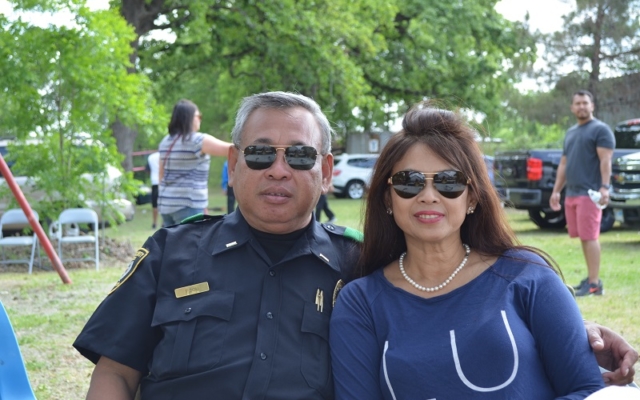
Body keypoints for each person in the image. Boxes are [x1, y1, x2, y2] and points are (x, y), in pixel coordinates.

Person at [72, 93, 637, 400]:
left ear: (325, 171)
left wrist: (575, 330)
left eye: (298, 156)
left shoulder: (357, 266)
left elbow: (460, 298)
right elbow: (116, 375)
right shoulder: (172, 252)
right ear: (234, 163)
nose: (277, 169)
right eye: (260, 153)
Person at [329, 102, 620, 399]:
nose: (428, 196)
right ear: (387, 198)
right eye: (409, 182)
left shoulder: (529, 277)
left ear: (472, 198)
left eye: (449, 181)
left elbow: (588, 390)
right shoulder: (360, 304)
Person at [550, 90, 615, 296]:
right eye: (577, 103)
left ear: (592, 106)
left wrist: (605, 187)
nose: (581, 107)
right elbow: (564, 164)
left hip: (590, 193)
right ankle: (590, 278)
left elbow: (606, 160)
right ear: (572, 107)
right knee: (583, 237)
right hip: (572, 193)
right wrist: (556, 191)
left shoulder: (600, 130)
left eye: (585, 103)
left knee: (590, 236)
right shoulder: (571, 132)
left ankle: (594, 284)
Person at [158, 99, 232, 226]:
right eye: (199, 116)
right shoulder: (197, 140)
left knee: (173, 240)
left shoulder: (165, 141)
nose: (200, 120)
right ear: (190, 118)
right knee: (194, 239)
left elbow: (161, 175)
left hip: (166, 205)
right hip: (188, 205)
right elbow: (232, 150)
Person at [146, 151, 160, 229]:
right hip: (163, 182)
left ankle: (154, 223)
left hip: (155, 182)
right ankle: (164, 223)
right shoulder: (165, 155)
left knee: (155, 204)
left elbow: (147, 169)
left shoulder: (151, 157)